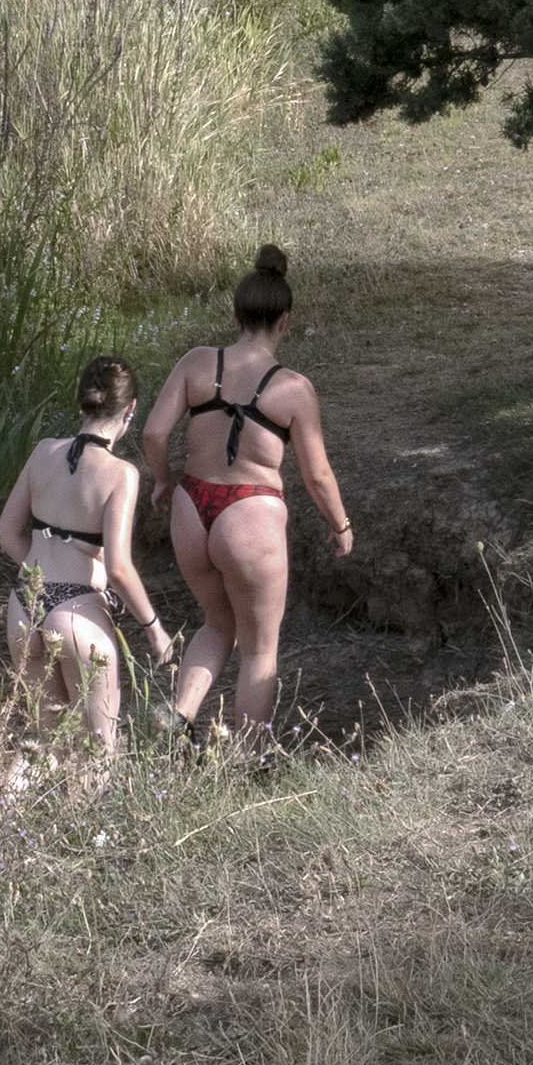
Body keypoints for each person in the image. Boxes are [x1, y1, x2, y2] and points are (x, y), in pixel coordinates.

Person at [141, 245, 353, 741]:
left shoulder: (197, 363)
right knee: (260, 648)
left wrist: (163, 480)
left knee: (216, 623)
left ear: (233, 316)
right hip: (250, 512)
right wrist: (340, 524)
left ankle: (179, 716)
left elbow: (153, 433)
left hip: (192, 508)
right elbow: (318, 476)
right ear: (285, 321)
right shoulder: (293, 388)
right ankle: (246, 763)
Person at [0, 356, 173, 754]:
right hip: (77, 612)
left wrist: (45, 573)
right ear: (131, 409)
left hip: (25, 604)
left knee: (50, 748)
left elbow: (6, 534)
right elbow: (119, 568)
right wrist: (154, 628)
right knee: (99, 754)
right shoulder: (120, 473)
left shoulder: (42, 452)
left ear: (82, 401)